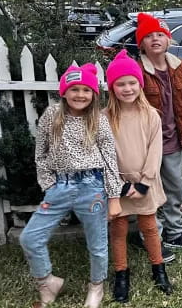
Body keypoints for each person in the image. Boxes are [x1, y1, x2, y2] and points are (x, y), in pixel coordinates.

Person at [19, 64, 122, 308]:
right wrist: (48, 183)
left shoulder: (98, 119)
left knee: (97, 244)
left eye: (86, 90)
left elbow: (109, 157)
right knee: (29, 238)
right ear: (64, 91)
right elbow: (41, 152)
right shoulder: (52, 115)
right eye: (74, 89)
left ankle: (96, 287)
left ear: (94, 94)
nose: (80, 94)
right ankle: (47, 282)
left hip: (93, 187)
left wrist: (114, 196)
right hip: (60, 186)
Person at [135, 13, 182, 255]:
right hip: (146, 143)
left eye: (160, 34)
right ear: (142, 43)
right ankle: (149, 235)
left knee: (174, 187)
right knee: (148, 189)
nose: (155, 39)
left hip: (172, 139)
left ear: (169, 40)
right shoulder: (137, 70)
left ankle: (174, 231)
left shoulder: (180, 67)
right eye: (149, 36)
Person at [104, 49, 173, 302]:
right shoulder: (105, 118)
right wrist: (118, 185)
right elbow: (104, 155)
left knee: (150, 227)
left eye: (132, 82)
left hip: (145, 183)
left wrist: (144, 182)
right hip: (117, 185)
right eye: (120, 84)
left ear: (140, 85)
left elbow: (155, 152)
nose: (127, 88)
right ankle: (122, 274)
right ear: (112, 87)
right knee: (119, 229)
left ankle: (159, 270)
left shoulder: (150, 115)